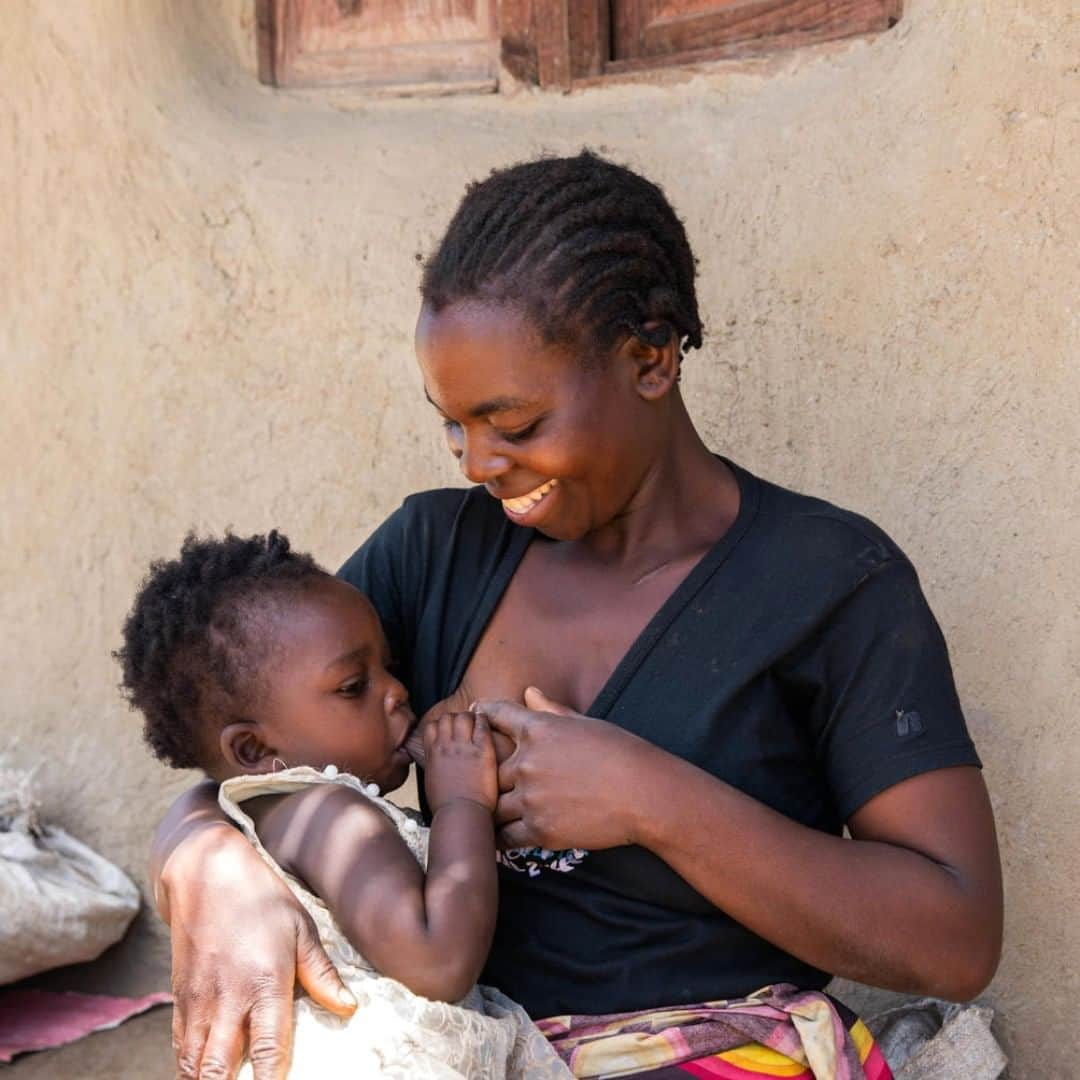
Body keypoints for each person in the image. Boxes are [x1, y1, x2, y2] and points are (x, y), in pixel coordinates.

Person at [150, 152, 1003, 1080]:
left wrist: (650, 800)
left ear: (650, 359)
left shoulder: (829, 583)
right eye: (454, 425)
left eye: (513, 426)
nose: (477, 462)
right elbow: (246, 740)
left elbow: (955, 938)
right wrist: (204, 862)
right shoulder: (434, 553)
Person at [117, 531, 571, 1078]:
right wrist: (462, 802)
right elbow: (438, 961)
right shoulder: (330, 815)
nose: (397, 691)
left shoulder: (263, 817)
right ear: (254, 749)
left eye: (390, 665)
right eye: (354, 685)